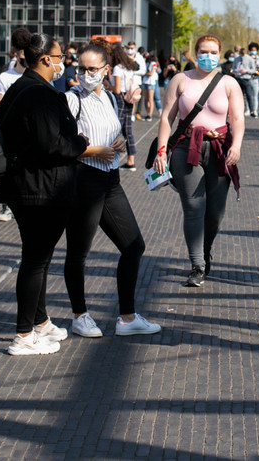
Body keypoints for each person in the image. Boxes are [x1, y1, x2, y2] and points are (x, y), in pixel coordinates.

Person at [0, 30, 88, 355]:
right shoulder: (40, 93)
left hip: (27, 186)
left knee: (39, 258)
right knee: (35, 260)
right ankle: (22, 335)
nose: (64, 59)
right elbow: (51, 144)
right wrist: (80, 142)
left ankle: (39, 321)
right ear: (46, 59)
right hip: (40, 190)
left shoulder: (21, 88)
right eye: (60, 53)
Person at [62, 41, 161, 339]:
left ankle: (127, 318)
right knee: (78, 253)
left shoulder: (110, 98)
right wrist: (95, 150)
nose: (85, 73)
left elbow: (114, 132)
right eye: (82, 68)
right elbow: (62, 145)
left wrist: (117, 143)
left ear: (106, 70)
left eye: (92, 69)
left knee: (134, 245)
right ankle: (79, 315)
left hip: (111, 179)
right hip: (83, 179)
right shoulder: (70, 99)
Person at [153, 34, 244, 287]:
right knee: (193, 208)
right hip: (185, 149)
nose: (209, 56)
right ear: (195, 52)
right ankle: (197, 265)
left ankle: (205, 250)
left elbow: (237, 119)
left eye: (214, 52)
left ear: (220, 53)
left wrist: (236, 145)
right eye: (204, 51)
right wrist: (161, 151)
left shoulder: (228, 83)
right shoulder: (181, 80)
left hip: (219, 149)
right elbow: (166, 118)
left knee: (215, 213)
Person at [0, 29, 30, 222]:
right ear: (15, 52)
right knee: (8, 170)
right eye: (22, 52)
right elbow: (0, 107)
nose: (25, 57)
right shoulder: (5, 78)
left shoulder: (36, 77)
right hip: (11, 132)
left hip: (31, 133)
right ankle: (7, 207)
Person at [111, 42, 141, 170]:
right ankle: (131, 160)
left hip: (120, 99)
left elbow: (117, 89)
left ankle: (112, 159)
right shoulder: (128, 66)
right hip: (129, 99)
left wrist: (107, 84)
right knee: (128, 131)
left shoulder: (118, 68)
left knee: (115, 129)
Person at [234, 42, 259, 118]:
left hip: (251, 79)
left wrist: (246, 71)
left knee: (253, 96)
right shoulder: (239, 59)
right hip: (242, 78)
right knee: (242, 96)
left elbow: (258, 70)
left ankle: (254, 110)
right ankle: (246, 110)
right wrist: (237, 71)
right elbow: (234, 68)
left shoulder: (257, 59)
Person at [141, 52, 160, 119]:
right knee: (146, 99)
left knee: (150, 99)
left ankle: (150, 114)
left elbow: (151, 73)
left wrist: (144, 75)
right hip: (145, 82)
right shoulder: (146, 63)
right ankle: (147, 113)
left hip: (151, 82)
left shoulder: (153, 63)